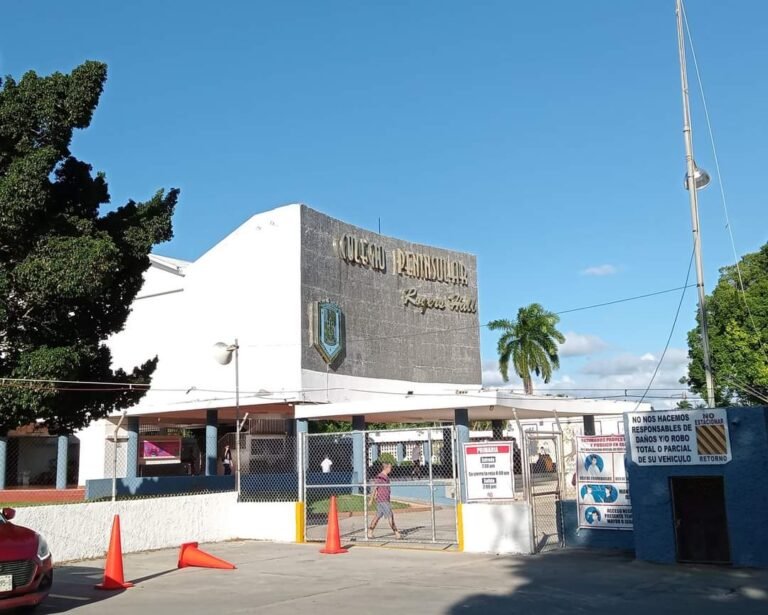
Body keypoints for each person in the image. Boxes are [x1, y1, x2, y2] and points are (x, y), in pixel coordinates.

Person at [368, 462, 401, 540]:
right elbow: (375, 488)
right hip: (383, 500)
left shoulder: (387, 477)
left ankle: (370, 532)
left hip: (385, 500)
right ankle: (396, 533)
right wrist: (371, 499)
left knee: (377, 516)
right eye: (390, 468)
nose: (391, 469)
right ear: (386, 468)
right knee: (390, 516)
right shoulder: (380, 477)